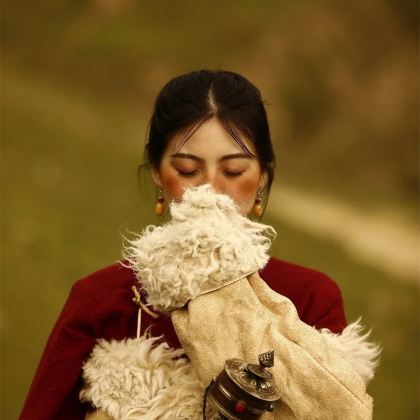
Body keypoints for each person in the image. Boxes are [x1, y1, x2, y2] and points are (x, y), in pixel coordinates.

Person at [20, 70, 348, 419]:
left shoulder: (309, 300)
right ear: (158, 176)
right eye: (189, 170)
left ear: (262, 178)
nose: (210, 189)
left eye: (234, 170)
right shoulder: (99, 300)